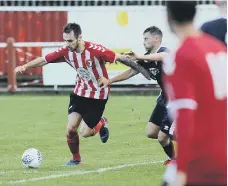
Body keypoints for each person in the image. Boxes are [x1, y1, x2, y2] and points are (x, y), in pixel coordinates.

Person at [15, 23, 151, 166]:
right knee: (71, 128)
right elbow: (44, 60)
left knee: (85, 133)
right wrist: (25, 66)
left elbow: (121, 58)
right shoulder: (66, 51)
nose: (66, 44)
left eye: (70, 41)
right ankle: (76, 159)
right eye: (65, 40)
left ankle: (102, 122)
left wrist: (142, 70)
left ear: (79, 38)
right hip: (80, 92)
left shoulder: (96, 50)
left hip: (98, 94)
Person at [162, 1, 226, 186]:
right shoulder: (218, 49)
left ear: (168, 17)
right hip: (223, 152)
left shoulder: (181, 55)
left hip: (200, 160)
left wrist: (182, 171)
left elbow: (185, 115)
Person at [98, 26, 175, 165]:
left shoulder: (164, 51)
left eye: (146, 39)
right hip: (164, 98)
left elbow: (163, 57)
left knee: (162, 137)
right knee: (151, 132)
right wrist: (109, 81)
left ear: (156, 39)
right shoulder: (146, 58)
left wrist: (138, 56)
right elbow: (130, 72)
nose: (143, 42)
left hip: (175, 99)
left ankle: (175, 159)